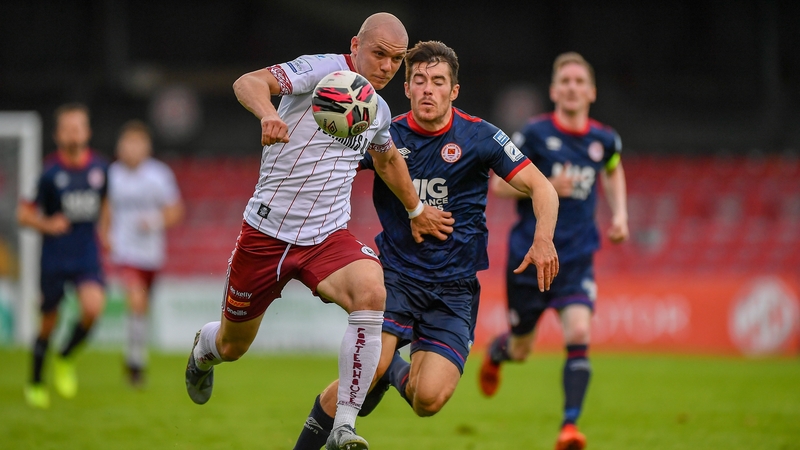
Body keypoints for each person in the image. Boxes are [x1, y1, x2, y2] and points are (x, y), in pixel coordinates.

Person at [182, 13, 454, 450]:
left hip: (327, 236)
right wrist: (269, 114)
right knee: (234, 345)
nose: (386, 66)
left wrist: (416, 207)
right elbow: (247, 82)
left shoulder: (379, 110)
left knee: (371, 290)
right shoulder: (320, 69)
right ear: (356, 45)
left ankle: (343, 426)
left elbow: (386, 160)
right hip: (266, 234)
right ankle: (203, 351)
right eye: (379, 54)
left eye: (395, 60)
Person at [292, 40, 560, 450]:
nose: (428, 89)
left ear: (454, 91)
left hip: (454, 290)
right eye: (419, 80)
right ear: (407, 87)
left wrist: (543, 239)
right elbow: (330, 168)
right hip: (396, 278)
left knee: (428, 399)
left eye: (438, 82)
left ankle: (391, 373)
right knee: (364, 373)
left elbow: (542, 187)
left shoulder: (480, 137)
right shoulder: (384, 135)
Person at [479, 52, 629, 450]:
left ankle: (569, 427)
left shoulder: (604, 140)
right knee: (522, 348)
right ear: (554, 90)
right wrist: (543, 185)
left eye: (580, 81)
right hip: (529, 258)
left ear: (591, 91)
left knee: (579, 330)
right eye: (566, 81)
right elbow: (498, 187)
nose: (573, 87)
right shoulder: (534, 134)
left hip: (576, 257)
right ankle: (498, 351)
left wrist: (620, 215)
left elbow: (613, 167)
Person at [17, 103, 109, 408]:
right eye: (68, 128)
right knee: (47, 324)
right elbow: (23, 214)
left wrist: (106, 233)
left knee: (93, 308)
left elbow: (106, 203)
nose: (74, 133)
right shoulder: (47, 173)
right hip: (54, 258)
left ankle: (66, 356)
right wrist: (47, 223)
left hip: (85, 255)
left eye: (78, 127)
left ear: (87, 132)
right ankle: (35, 381)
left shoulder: (100, 169)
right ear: (58, 135)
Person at [99, 120, 184, 387]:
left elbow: (175, 210)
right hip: (125, 251)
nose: (132, 149)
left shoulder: (159, 175)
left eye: (137, 143)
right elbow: (105, 209)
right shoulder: (111, 175)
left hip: (151, 254)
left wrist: (155, 221)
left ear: (146, 147)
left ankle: (134, 353)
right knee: (135, 300)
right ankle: (137, 362)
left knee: (141, 308)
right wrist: (105, 234)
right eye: (128, 143)